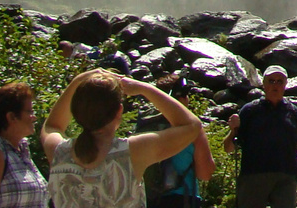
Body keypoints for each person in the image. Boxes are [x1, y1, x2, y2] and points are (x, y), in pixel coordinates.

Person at [40, 71, 201, 208]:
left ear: (76, 111)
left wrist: (79, 80)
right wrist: (145, 88)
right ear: (119, 111)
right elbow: (192, 125)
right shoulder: (132, 151)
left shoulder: (60, 151)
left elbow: (52, 126)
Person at [223, 65, 297, 208]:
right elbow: (229, 148)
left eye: (279, 81)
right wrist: (233, 130)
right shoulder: (250, 110)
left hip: (286, 175)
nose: (275, 85)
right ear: (263, 84)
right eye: (271, 81)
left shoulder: (293, 111)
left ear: (285, 85)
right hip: (254, 174)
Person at [138, 75, 215, 208]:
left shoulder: (146, 126)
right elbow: (205, 174)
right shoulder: (192, 130)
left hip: (149, 199)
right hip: (182, 199)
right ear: (180, 98)